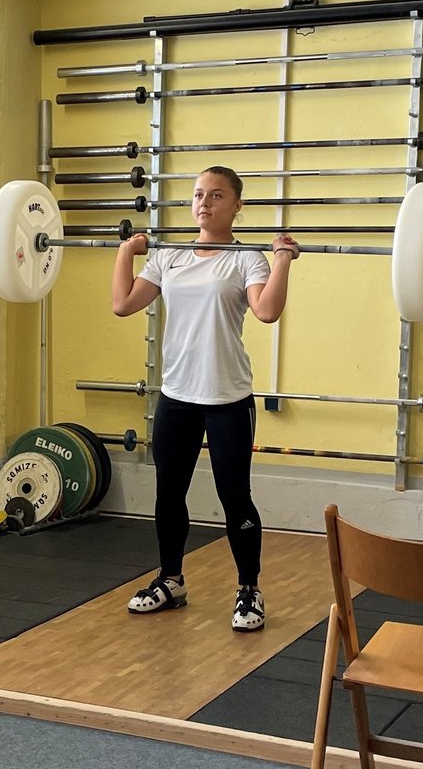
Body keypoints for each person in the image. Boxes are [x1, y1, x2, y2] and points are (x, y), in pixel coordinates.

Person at [109, 166, 298, 632]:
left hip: (228, 397)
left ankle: (249, 590)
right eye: (198, 195)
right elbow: (123, 303)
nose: (204, 203)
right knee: (168, 493)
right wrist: (125, 252)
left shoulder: (246, 259)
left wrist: (282, 260)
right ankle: (170, 581)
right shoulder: (169, 256)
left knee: (235, 496)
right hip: (177, 395)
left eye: (216, 195)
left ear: (237, 205)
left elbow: (267, 311)